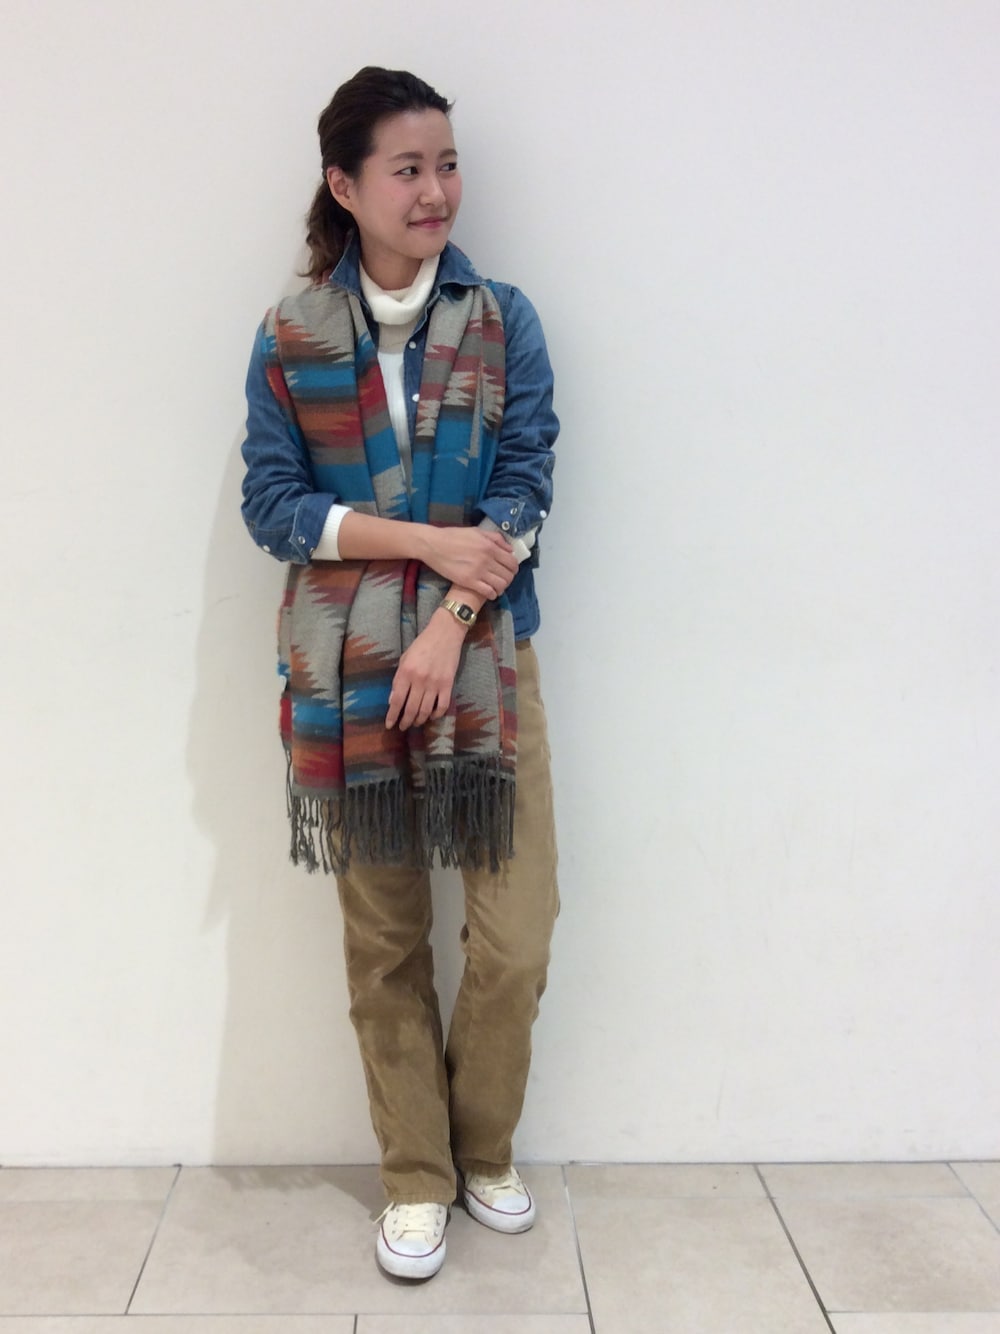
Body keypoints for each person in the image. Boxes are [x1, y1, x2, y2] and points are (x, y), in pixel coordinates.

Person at [240, 66, 559, 1281]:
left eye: (447, 165)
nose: (436, 191)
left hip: (484, 664)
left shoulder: (502, 319)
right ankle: (417, 1175)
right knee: (383, 942)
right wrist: (426, 542)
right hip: (346, 676)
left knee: (514, 935)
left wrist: (450, 614)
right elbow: (275, 507)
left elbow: (524, 483)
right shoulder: (290, 335)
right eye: (408, 168)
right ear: (345, 184)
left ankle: (482, 1148)